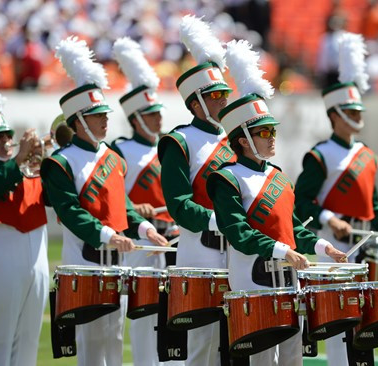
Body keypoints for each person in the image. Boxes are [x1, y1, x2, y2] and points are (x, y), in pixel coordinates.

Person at [206, 39, 347, 366]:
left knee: (292, 359)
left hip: (288, 279)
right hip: (253, 279)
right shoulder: (226, 178)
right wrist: (285, 251)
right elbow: (238, 233)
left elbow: (293, 227)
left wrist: (325, 248)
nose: (271, 138)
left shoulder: (278, 175)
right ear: (243, 140)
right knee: (261, 361)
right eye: (264, 133)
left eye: (271, 131)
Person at [294, 32, 378, 366]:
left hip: (362, 240)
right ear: (335, 114)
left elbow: (373, 207)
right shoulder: (319, 155)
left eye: (358, 107)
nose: (358, 114)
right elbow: (302, 203)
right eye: (350, 109)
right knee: (339, 319)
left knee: (365, 319)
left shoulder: (367, 154)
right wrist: (328, 219)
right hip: (333, 244)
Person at [40, 36, 167, 366]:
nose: (105, 120)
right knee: (92, 343)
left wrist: (142, 229)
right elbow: (69, 212)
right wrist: (108, 234)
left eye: (104, 114)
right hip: (85, 261)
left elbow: (122, 205)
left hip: (117, 260)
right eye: (97, 115)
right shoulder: (59, 162)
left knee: (113, 337)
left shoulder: (112, 157)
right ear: (78, 121)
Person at [157, 16, 235, 366]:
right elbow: (178, 205)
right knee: (202, 347)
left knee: (239, 340)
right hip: (201, 250)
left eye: (224, 93)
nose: (223, 101)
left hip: (239, 251)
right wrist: (219, 221)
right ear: (196, 102)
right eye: (216, 95)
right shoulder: (179, 141)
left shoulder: (237, 140)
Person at [111, 37, 182, 366]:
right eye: (150, 115)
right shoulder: (121, 149)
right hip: (141, 240)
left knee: (175, 314)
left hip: (173, 236)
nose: (157, 120)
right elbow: (113, 194)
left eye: (158, 114)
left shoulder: (168, 146)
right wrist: (134, 207)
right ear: (135, 118)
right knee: (145, 317)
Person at [0, 78, 49, 366]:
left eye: (6, 135)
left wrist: (43, 158)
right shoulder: (3, 170)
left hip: (35, 264)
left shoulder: (23, 168)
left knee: (28, 341)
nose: (5, 142)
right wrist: (20, 161)